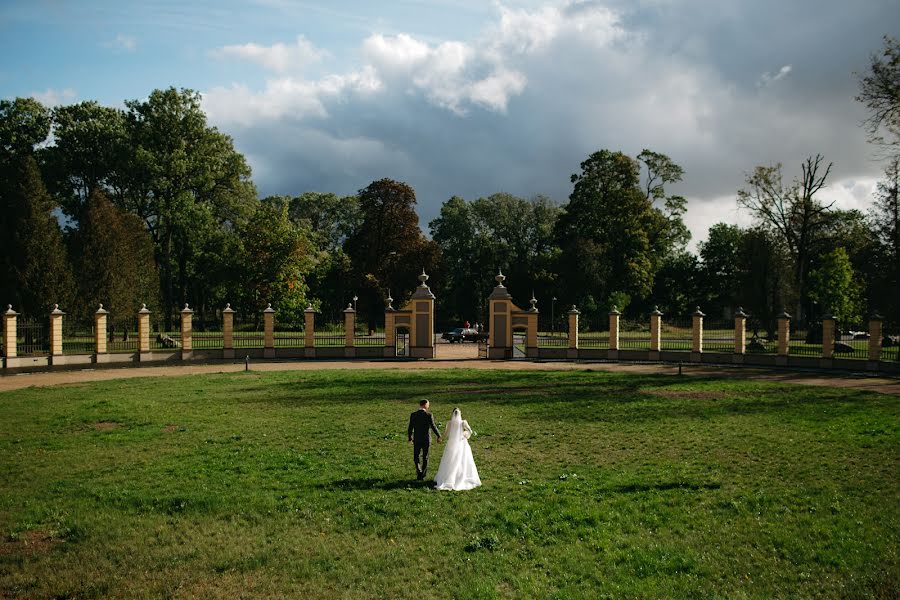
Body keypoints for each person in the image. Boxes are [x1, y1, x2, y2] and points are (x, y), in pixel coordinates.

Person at [434, 407, 481, 491]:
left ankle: (447, 477)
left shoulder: (449, 423)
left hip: (451, 444)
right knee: (463, 460)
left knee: (450, 460)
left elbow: (445, 434)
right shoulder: (463, 422)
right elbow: (470, 431)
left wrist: (440, 438)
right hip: (461, 443)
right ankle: (461, 476)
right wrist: (464, 435)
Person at [408, 399, 442, 480]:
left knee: (416, 456)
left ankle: (419, 471)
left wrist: (410, 437)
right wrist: (438, 435)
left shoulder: (413, 415)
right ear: (424, 405)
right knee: (425, 457)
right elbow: (433, 426)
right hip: (426, 439)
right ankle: (422, 474)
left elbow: (410, 427)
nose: (428, 406)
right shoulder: (429, 415)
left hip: (417, 439)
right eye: (428, 404)